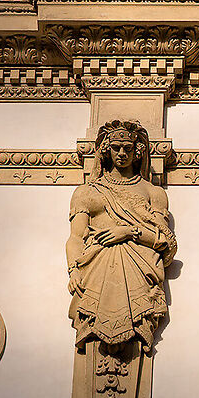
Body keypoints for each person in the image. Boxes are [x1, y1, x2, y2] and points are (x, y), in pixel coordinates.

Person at [67, 120, 176, 356]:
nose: (122, 153)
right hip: (95, 269)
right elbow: (75, 237)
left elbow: (165, 241)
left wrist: (128, 232)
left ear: (137, 151)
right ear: (107, 149)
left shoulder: (153, 192)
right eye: (116, 147)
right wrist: (73, 270)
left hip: (139, 269)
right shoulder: (87, 192)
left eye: (128, 148)